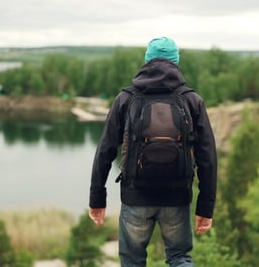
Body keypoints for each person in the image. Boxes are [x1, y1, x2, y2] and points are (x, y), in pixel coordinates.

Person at [89, 36, 217, 267]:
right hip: (177, 197)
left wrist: (97, 198)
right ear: (176, 62)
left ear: (146, 61)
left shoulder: (126, 99)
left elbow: (105, 150)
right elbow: (207, 157)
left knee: (132, 261)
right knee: (179, 258)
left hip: (135, 196)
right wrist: (205, 208)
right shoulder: (191, 100)